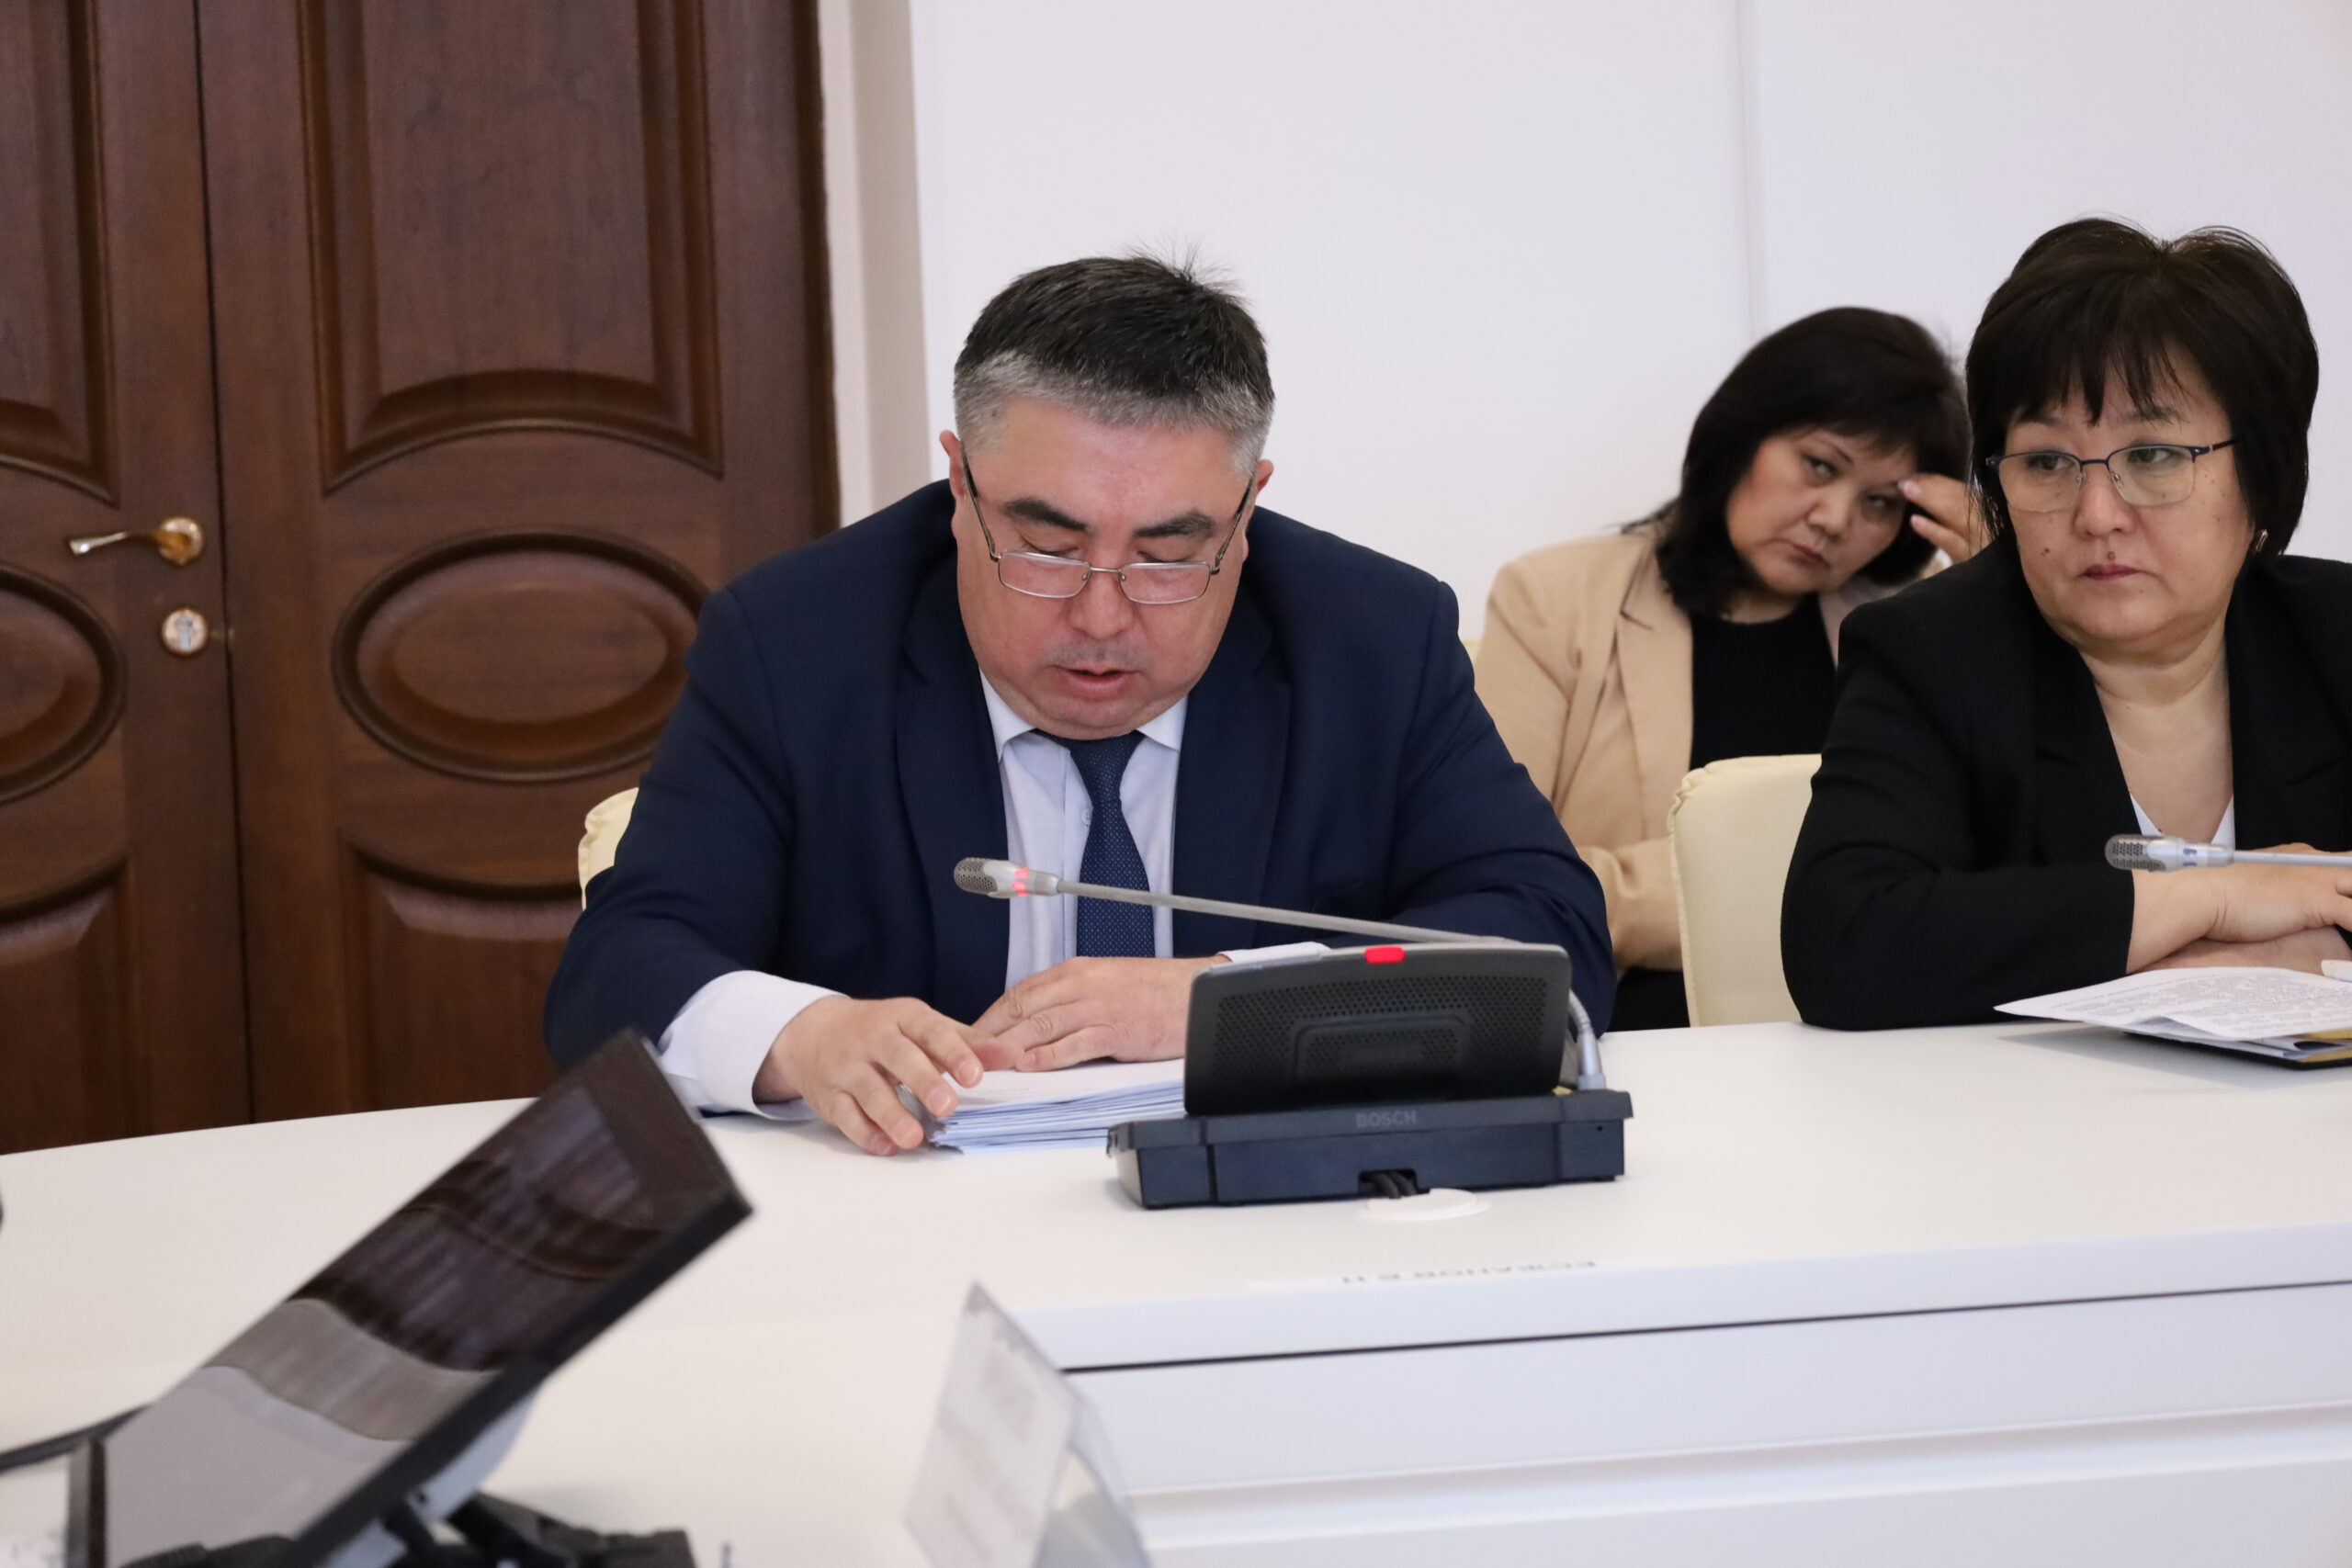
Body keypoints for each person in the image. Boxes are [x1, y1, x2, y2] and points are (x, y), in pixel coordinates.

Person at [543, 254, 1614, 1154]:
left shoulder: (1367, 637)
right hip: (911, 1224)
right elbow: (621, 967)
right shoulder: (799, 643)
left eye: (1168, 554)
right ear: (959, 485)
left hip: (1271, 1224)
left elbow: (1547, 934)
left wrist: (1226, 1004)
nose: (1102, 616)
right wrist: (806, 1038)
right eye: (1047, 548)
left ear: (1246, 511)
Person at [1783, 220, 2352, 1029]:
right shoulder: (1931, 653)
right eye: (2048, 462)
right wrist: (2211, 901)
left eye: (2152, 456)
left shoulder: (2335, 633)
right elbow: (1845, 941)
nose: (2096, 514)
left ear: (2261, 473)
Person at [1475, 309, 1973, 1029]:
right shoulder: (1554, 598)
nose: (1835, 518)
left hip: (1866, 1036)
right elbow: (1498, 876)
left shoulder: (1913, 616)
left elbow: (1982, 859)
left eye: (1880, 503)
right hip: (1638, 1034)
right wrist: (1785, 890)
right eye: (1820, 465)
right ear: (1744, 432)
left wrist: (1999, 583)